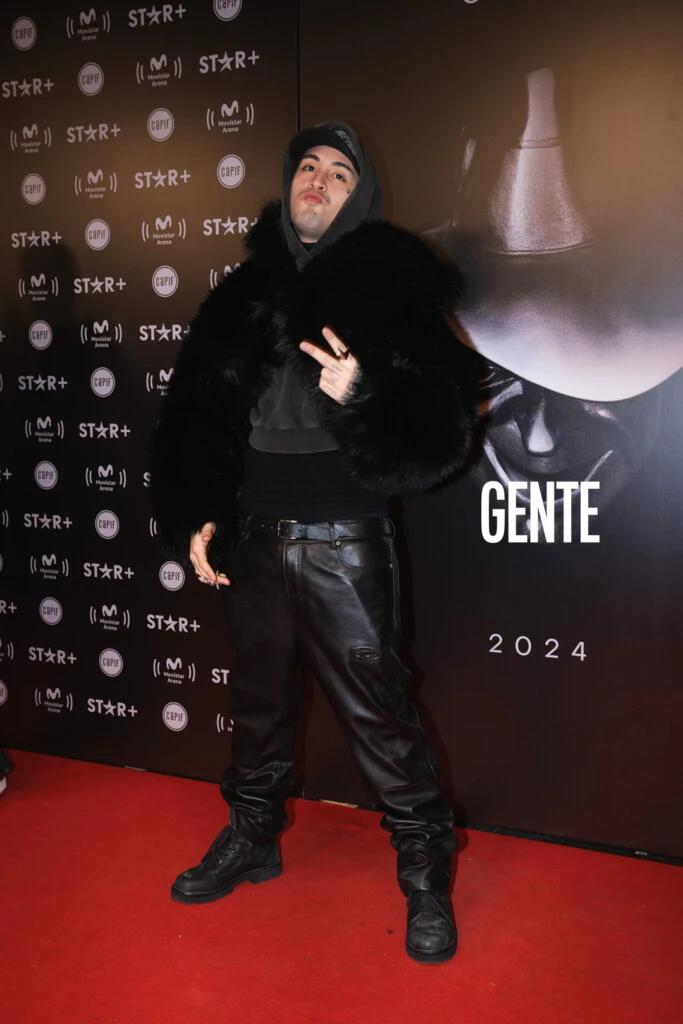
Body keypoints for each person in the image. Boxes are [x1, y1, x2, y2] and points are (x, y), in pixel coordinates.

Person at [150, 121, 477, 963]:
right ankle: (252, 838)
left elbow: (444, 430)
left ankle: (423, 872)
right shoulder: (244, 292)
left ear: (359, 195)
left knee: (380, 717)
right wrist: (197, 513)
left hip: (346, 537)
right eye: (307, 166)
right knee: (256, 709)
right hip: (253, 537)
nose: (318, 180)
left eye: (338, 171)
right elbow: (194, 413)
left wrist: (366, 393)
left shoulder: (397, 286)